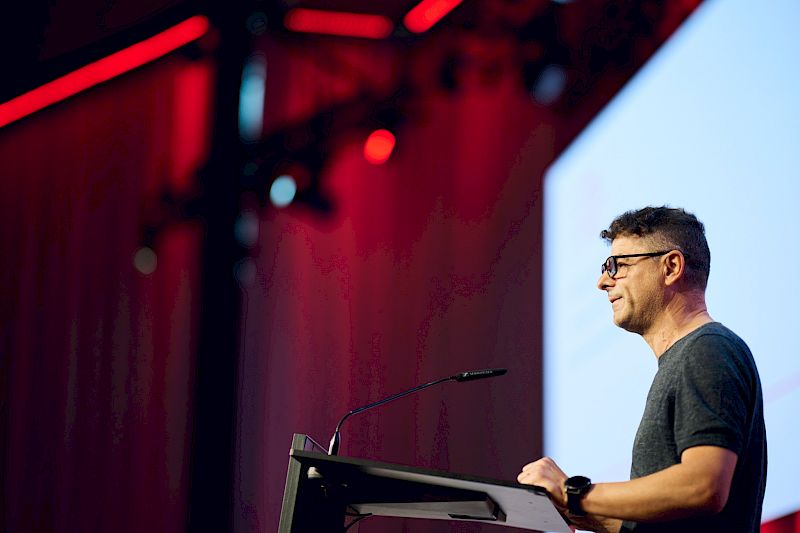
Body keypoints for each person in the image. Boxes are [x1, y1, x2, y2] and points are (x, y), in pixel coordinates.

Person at [517, 206, 767, 532]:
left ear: (671, 267)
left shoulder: (707, 349)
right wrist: (573, 511)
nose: (602, 282)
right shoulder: (687, 357)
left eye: (617, 266)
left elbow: (703, 485)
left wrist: (574, 492)